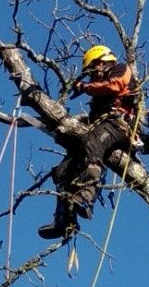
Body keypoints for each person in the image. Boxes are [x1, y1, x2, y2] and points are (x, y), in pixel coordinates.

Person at [38, 45, 141, 241]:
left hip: (119, 125)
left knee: (93, 145)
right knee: (63, 170)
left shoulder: (120, 69)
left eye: (92, 70)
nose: (92, 76)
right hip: (101, 126)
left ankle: (86, 197)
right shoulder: (99, 88)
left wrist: (85, 88)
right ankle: (65, 221)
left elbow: (116, 85)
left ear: (101, 62)